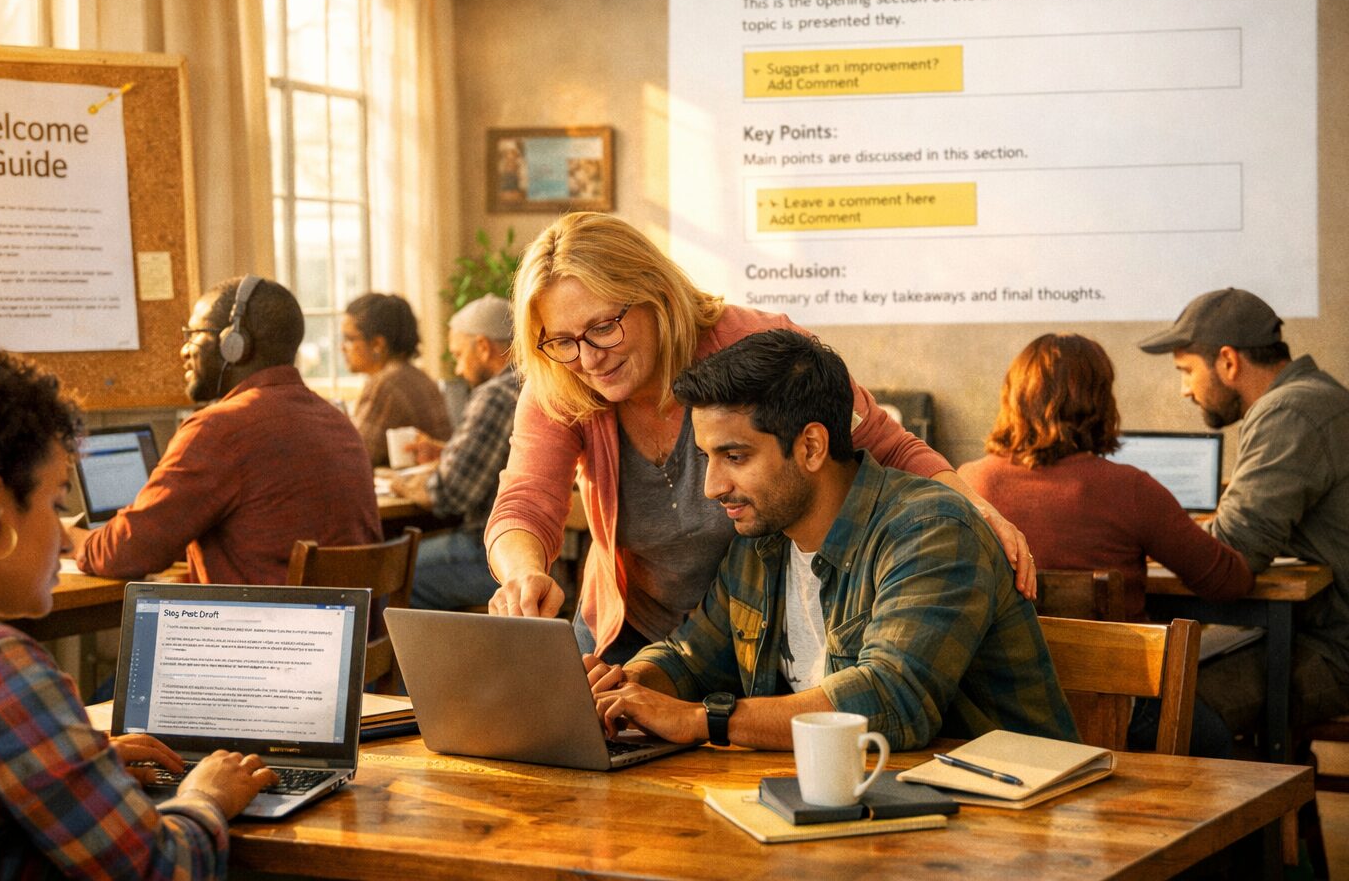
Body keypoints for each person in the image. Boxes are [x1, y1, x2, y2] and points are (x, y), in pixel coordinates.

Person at [485, 211, 1035, 664]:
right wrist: (524, 574)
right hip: (635, 635)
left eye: (603, 328)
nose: (587, 358)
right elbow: (525, 500)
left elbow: (888, 445)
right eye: (560, 340)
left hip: (757, 629)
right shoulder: (561, 380)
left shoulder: (754, 347)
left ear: (655, 294)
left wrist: (976, 510)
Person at [0, 340, 275, 877]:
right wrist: (207, 795)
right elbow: (163, 869)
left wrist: (78, 762)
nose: (67, 543)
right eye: (57, 502)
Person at [583, 330, 1076, 751]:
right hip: (862, 813)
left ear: (812, 447)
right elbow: (690, 658)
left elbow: (889, 700)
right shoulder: (759, 545)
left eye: (734, 457)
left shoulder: (931, 529)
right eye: (707, 457)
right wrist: (627, 686)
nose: (712, 487)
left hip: (1013, 825)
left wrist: (700, 720)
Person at [1140, 288, 1349, 739]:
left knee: (1162, 709)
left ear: (1228, 361)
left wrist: (1147, 527)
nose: (1184, 389)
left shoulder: (1289, 410)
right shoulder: (1317, 395)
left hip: (1342, 652)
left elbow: (1230, 552)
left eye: (1186, 371)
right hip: (1330, 633)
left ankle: (1253, 809)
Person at [77, 276, 381, 585]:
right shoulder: (337, 422)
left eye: (194, 334)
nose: (184, 350)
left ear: (234, 345)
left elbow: (126, 553)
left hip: (264, 630)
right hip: (349, 631)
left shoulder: (219, 429)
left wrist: (74, 540)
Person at [958, 333, 1253, 621]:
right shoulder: (1131, 490)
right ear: (1101, 402)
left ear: (1013, 398)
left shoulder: (969, 482)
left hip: (1006, 670)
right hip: (1115, 669)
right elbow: (1228, 582)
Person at [391, 294, 521, 610]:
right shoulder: (529, 384)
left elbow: (450, 494)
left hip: (491, 555)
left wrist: (402, 484)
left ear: (483, 346)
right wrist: (446, 452)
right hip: (537, 556)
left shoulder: (495, 396)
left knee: (389, 572)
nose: (459, 369)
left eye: (459, 355)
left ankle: (402, 662)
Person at [343, 292, 454, 466]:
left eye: (349, 339)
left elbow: (354, 458)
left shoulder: (387, 383)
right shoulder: (417, 375)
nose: (342, 348)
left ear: (377, 344)